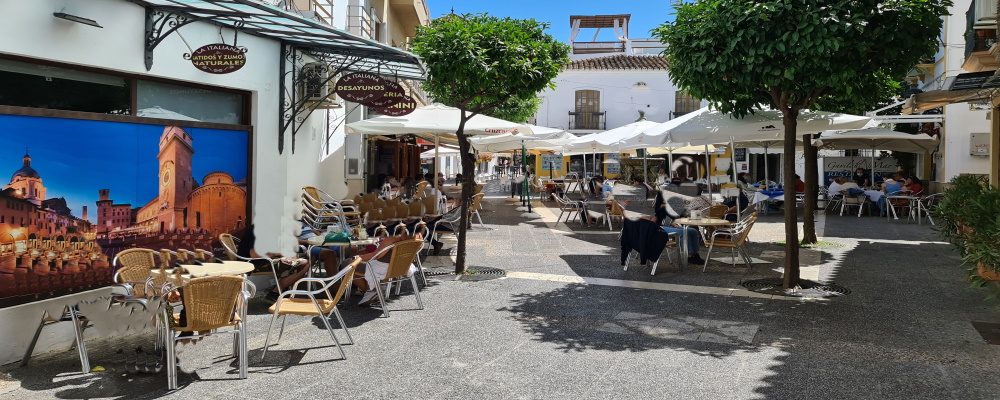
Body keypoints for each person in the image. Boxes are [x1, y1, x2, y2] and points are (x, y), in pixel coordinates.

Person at [236, 225, 309, 302]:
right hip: (253, 263)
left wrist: (307, 243)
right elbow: (254, 254)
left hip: (264, 259)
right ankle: (275, 293)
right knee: (302, 264)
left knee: (298, 258)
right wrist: (279, 253)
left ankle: (283, 289)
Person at [351, 233, 423, 306]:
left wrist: (357, 258)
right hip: (402, 267)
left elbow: (376, 255)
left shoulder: (393, 238)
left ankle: (373, 289)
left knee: (348, 263)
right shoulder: (418, 236)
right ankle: (376, 288)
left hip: (382, 269)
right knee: (361, 259)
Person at [651, 191, 706, 265]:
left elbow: (674, 216)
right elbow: (652, 222)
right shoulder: (655, 207)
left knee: (693, 231)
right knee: (683, 232)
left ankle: (695, 253)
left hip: (667, 226)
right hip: (658, 228)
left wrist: (673, 223)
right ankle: (689, 255)